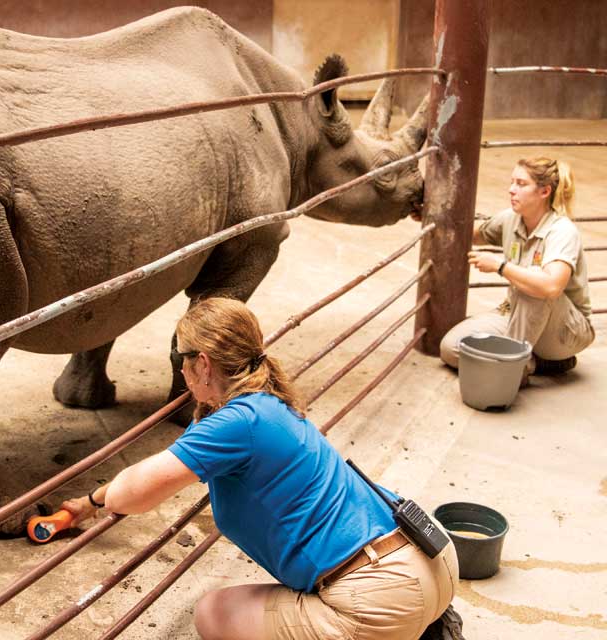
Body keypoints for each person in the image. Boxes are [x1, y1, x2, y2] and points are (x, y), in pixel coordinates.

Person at [61, 297, 459, 640]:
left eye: (179, 359)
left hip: (378, 599)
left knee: (213, 613)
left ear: (202, 364)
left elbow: (135, 493)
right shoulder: (271, 400)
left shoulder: (237, 423)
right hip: (430, 557)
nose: (178, 371)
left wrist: (95, 500)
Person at [440, 157, 595, 376]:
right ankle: (531, 364)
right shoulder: (511, 219)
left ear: (544, 192)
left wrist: (500, 266)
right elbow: (470, 235)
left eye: (521, 184)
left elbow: (551, 287)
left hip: (565, 332)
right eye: (512, 182)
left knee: (533, 283)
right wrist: (435, 216)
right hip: (517, 313)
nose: (511, 190)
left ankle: (512, 371)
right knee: (452, 349)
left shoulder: (562, 231)